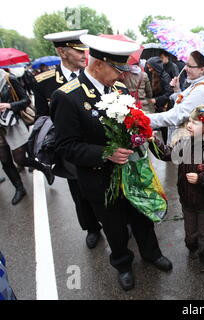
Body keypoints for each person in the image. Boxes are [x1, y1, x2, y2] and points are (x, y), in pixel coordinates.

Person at [51, 35, 173, 291]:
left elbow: (133, 124)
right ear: (98, 65)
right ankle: (122, 263)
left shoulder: (120, 91)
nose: (121, 76)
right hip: (99, 177)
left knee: (142, 217)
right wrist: (104, 153)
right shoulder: (67, 97)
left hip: (131, 172)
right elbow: (65, 146)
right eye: (118, 69)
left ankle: (151, 253)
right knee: (114, 225)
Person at [39, 30, 102, 249]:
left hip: (97, 143)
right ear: (62, 52)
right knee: (79, 190)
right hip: (70, 147)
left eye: (85, 50)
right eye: (78, 50)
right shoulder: (43, 82)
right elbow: (42, 119)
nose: (85, 55)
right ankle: (91, 227)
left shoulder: (93, 75)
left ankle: (116, 221)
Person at [150, 105, 204, 272]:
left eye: (194, 123)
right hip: (187, 199)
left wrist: (201, 178)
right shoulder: (184, 142)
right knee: (190, 233)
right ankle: (192, 248)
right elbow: (166, 154)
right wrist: (153, 141)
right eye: (189, 121)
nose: (189, 125)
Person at [147, 51, 204, 143]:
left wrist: (145, 120)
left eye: (189, 66)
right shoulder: (197, 85)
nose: (185, 68)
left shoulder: (201, 90)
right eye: (186, 65)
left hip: (190, 146)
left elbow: (177, 116)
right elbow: (186, 107)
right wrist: (177, 90)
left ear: (202, 69)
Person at [0, 69, 40, 205]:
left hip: (12, 124)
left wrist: (9, 105)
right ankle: (19, 189)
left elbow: (26, 101)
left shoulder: (8, 79)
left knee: (20, 159)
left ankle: (43, 168)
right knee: (5, 160)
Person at [146, 56, 174, 143]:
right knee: (163, 130)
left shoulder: (165, 77)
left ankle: (168, 148)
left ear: (156, 67)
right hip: (159, 107)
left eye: (151, 67)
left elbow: (169, 93)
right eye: (148, 68)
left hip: (165, 107)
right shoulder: (155, 74)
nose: (149, 70)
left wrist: (156, 100)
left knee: (165, 131)